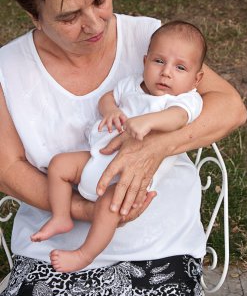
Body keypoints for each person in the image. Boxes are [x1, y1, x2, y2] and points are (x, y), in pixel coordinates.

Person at [0, 0, 247, 296]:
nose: (96, 24)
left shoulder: (153, 42)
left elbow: (230, 105)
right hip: (49, 253)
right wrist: (89, 210)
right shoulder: (6, 70)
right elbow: (8, 168)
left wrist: (156, 148)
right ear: (34, 15)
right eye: (69, 17)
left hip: (159, 245)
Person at [31, 20, 206, 274]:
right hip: (96, 158)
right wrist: (111, 110)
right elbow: (108, 98)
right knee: (59, 165)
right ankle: (61, 217)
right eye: (159, 61)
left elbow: (178, 118)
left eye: (180, 67)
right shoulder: (132, 85)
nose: (166, 72)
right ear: (145, 61)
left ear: (196, 79)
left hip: (128, 178)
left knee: (110, 209)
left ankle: (84, 254)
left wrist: (149, 121)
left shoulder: (184, 99)